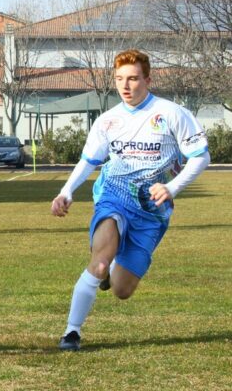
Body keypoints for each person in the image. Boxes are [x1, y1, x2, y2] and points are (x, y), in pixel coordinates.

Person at [51, 49, 210, 351]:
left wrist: (172, 188)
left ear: (148, 80)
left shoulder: (172, 114)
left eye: (133, 79)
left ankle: (113, 273)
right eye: (120, 79)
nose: (126, 86)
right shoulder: (108, 120)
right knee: (98, 263)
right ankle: (72, 332)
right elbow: (89, 160)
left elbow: (201, 157)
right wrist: (66, 191)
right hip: (114, 197)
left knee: (122, 290)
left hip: (151, 212)